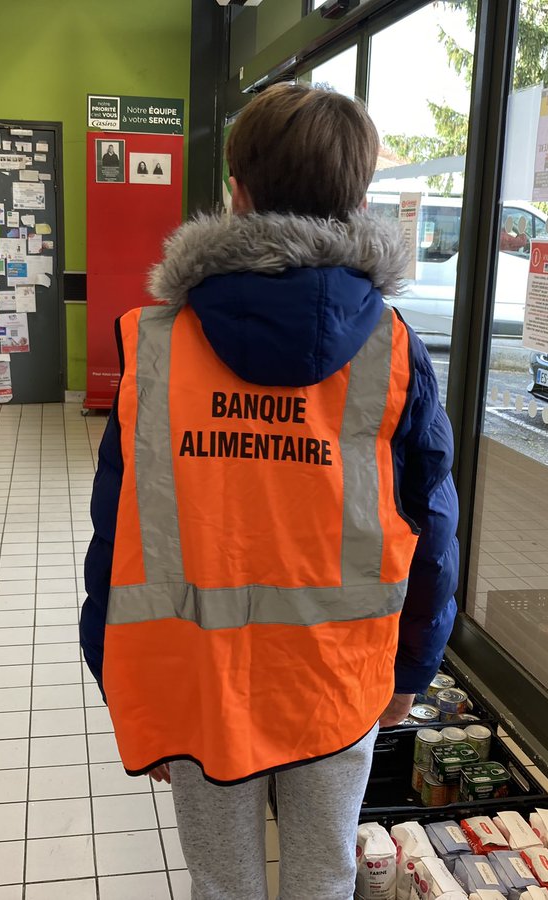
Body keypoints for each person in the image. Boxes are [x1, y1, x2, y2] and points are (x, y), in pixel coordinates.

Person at [80, 83, 459, 900]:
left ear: (238, 194)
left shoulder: (153, 347)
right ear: (358, 200)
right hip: (338, 677)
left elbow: (115, 525)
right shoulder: (394, 352)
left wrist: (116, 670)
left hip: (194, 675)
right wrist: (413, 668)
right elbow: (432, 523)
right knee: (323, 874)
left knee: (224, 881)